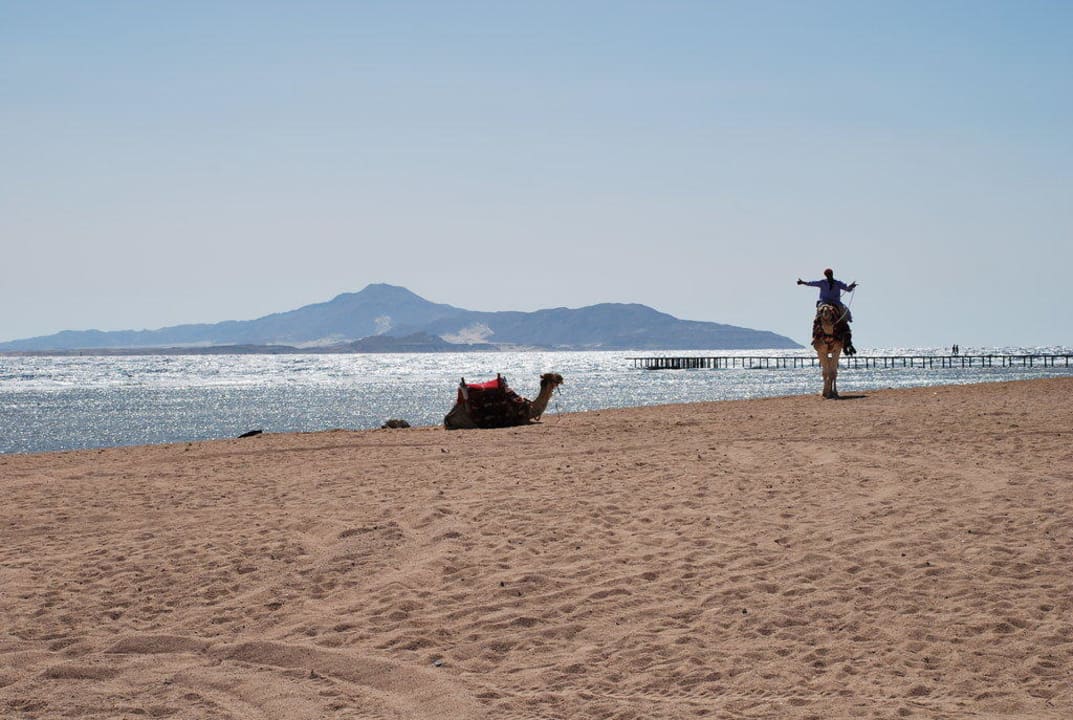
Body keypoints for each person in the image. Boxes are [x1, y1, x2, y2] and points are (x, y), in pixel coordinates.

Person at [797, 268, 858, 355]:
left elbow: (847, 288)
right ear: (826, 275)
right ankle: (815, 334)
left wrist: (851, 286)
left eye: (830, 274)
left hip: (836, 303)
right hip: (824, 302)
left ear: (832, 274)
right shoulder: (822, 282)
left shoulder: (837, 283)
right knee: (819, 315)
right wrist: (803, 282)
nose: (829, 276)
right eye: (828, 274)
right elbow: (812, 283)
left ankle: (846, 327)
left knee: (845, 311)